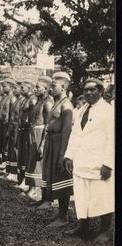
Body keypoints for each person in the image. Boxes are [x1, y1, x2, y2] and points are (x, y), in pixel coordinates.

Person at [64, 78, 114, 242]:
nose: (88, 93)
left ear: (101, 91)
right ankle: (83, 227)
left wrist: (108, 164)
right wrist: (69, 155)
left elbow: (112, 139)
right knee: (81, 196)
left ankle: (105, 230)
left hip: (99, 163)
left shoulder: (108, 111)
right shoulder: (81, 110)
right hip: (81, 162)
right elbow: (75, 134)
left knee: (102, 197)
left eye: (93, 90)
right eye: (86, 90)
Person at [39, 72, 73, 227]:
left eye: (53, 86)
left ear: (63, 86)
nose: (50, 89)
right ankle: (59, 213)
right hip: (52, 142)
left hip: (60, 143)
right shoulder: (56, 102)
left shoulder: (67, 105)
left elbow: (66, 131)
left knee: (62, 180)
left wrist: (62, 155)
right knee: (53, 177)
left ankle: (64, 216)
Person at [25, 76, 54, 202]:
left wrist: (42, 144)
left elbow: (48, 124)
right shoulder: (38, 101)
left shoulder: (48, 102)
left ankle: (38, 191)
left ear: (46, 88)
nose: (34, 89)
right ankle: (31, 187)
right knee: (31, 160)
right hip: (33, 132)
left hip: (40, 132)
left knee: (38, 162)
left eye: (38, 87)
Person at [17, 79, 37, 192]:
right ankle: (22, 178)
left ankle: (27, 181)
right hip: (23, 129)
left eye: (23, 88)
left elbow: (34, 116)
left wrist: (29, 126)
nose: (21, 90)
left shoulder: (32, 100)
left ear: (29, 88)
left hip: (28, 130)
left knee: (27, 156)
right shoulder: (26, 99)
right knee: (23, 154)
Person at [5, 81, 23, 182]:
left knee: (16, 149)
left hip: (17, 128)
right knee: (11, 148)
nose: (14, 90)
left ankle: (15, 172)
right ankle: (11, 170)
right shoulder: (17, 100)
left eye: (16, 88)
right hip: (13, 127)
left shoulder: (21, 101)